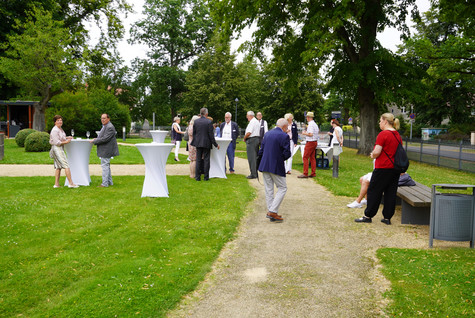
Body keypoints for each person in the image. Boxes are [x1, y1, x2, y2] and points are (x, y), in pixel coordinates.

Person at [355, 113, 403, 225]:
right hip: (395, 168)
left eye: (380, 121)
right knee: (390, 192)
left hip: (383, 167)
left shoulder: (383, 134)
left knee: (374, 191)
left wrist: (372, 155)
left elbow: (377, 151)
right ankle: (387, 218)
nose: (380, 123)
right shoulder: (397, 135)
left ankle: (368, 215)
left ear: (385, 121)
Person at [258, 118, 291, 222]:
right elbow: (287, 153)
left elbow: (261, 150)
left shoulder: (267, 134)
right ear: (284, 127)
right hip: (276, 165)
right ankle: (272, 211)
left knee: (269, 190)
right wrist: (280, 159)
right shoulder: (284, 136)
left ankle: (271, 211)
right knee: (282, 187)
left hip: (265, 164)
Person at [348, 171, 416, 208]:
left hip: (387, 174)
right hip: (379, 171)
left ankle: (358, 201)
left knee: (366, 182)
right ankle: (366, 199)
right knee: (362, 179)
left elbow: (401, 170)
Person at [49, 115, 79, 188]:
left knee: (58, 167)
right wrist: (67, 142)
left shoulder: (60, 129)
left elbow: (61, 137)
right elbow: (57, 142)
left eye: (61, 120)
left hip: (59, 148)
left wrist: (67, 137)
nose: (60, 121)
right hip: (57, 149)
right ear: (55, 122)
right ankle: (71, 183)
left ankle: (56, 184)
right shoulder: (55, 130)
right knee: (66, 165)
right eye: (58, 120)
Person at [90, 113, 119, 187]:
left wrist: (95, 141)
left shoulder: (109, 127)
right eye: (101, 118)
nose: (102, 120)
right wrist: (96, 139)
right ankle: (109, 182)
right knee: (106, 166)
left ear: (108, 119)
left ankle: (104, 184)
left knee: (105, 166)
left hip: (107, 150)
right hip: (106, 149)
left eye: (104, 118)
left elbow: (105, 139)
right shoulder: (106, 126)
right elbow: (103, 137)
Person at [191, 108, 219, 181]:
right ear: (206, 114)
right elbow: (211, 135)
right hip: (206, 143)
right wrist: (216, 144)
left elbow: (194, 133)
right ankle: (206, 177)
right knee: (206, 160)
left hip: (198, 143)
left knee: (198, 160)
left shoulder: (196, 122)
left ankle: (197, 177)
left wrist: (196, 141)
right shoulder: (209, 122)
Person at [298, 112, 319, 178]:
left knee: (305, 157)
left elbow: (310, 134)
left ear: (308, 117)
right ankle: (313, 172)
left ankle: (305, 173)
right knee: (312, 158)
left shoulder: (310, 125)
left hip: (310, 142)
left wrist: (304, 133)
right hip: (314, 141)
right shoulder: (315, 124)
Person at [243, 111, 261, 179]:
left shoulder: (252, 122)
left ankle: (253, 174)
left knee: (251, 158)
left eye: (247, 116)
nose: (247, 117)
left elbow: (249, 133)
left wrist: (244, 138)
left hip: (252, 140)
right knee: (255, 157)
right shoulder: (256, 121)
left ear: (250, 116)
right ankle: (254, 172)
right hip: (256, 139)